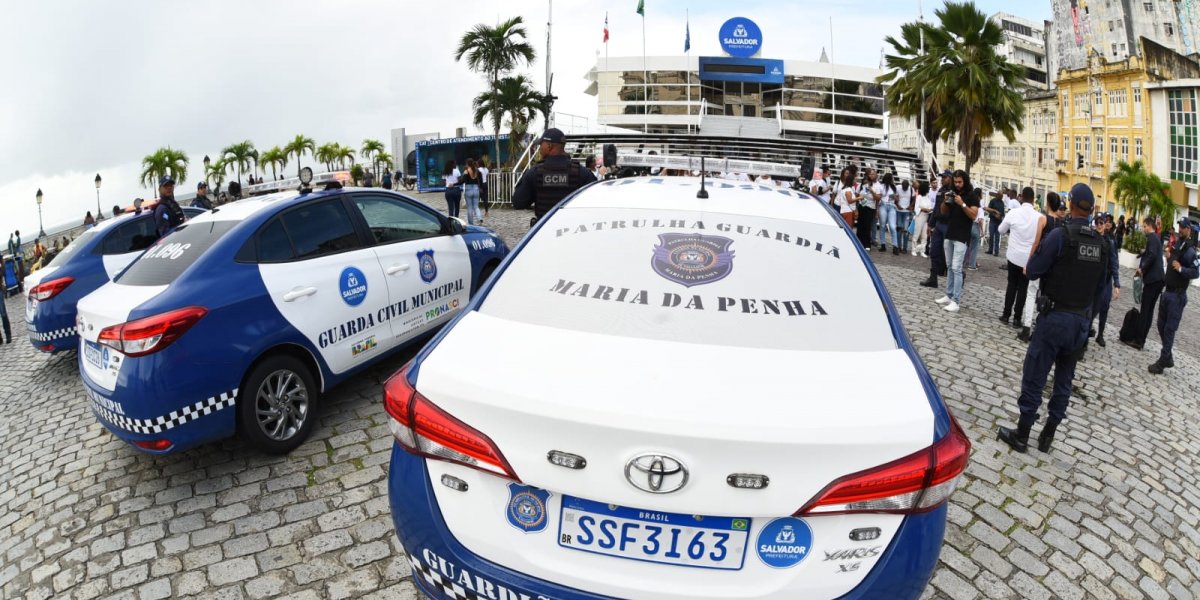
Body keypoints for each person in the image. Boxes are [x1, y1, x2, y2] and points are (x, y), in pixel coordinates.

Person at [997, 183, 1108, 453]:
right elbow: (1101, 290)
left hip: (1056, 317)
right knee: (1064, 380)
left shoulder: (1061, 237)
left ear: (1070, 205)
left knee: (1035, 373)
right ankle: (1048, 435)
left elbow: (1033, 270)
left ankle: (1022, 434)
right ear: (1092, 210)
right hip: (1080, 321)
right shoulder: (1102, 245)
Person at [511, 128, 596, 224]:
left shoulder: (534, 173)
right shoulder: (582, 172)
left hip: (544, 230)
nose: (539, 148)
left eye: (541, 144)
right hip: (572, 229)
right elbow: (595, 200)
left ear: (549, 146)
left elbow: (518, 203)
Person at [1149, 219, 1198, 374]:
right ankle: (1168, 356)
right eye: (1180, 227)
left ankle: (1163, 361)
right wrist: (1169, 256)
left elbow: (1196, 272)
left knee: (1169, 329)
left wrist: (1182, 269)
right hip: (1167, 292)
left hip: (1177, 296)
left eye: (1183, 227)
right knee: (1160, 325)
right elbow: (1173, 260)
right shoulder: (1178, 244)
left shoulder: (1190, 250)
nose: (1180, 229)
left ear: (1189, 229)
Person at [998, 187, 1043, 329]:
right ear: (1033, 199)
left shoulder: (1014, 213)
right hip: (1028, 258)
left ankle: (1006, 314)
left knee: (1011, 284)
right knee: (1023, 288)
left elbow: (1001, 230)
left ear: (1022, 197)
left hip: (1013, 255)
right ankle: (1017, 318)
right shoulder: (1038, 217)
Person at [934, 170, 978, 312]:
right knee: (949, 266)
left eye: (960, 182)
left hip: (962, 236)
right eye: (955, 182)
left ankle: (956, 300)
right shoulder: (952, 192)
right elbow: (943, 211)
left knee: (957, 268)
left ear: (965, 181)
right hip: (950, 233)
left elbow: (973, 215)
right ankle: (949, 294)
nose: (957, 184)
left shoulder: (972, 196)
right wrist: (946, 201)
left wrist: (962, 203)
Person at [1124, 216, 1165, 351]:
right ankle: (1142, 339)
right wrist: (1143, 254)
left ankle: (1138, 340)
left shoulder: (1152, 238)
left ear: (1149, 226)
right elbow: (1151, 253)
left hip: (1153, 280)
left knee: (1145, 310)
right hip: (1159, 280)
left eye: (1144, 226)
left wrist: (1142, 268)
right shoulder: (1156, 238)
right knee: (1149, 311)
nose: (1143, 229)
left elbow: (1152, 255)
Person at [1086, 214, 1121, 347]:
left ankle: (1099, 333)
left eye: (1103, 222)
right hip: (1091, 280)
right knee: (1088, 310)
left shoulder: (1109, 241)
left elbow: (1114, 262)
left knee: (1102, 307)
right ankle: (1083, 340)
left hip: (1105, 281)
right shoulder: (1090, 237)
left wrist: (1117, 284)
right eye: (1098, 222)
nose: (1100, 225)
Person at [921, 170, 954, 288]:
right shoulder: (941, 190)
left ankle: (956, 278)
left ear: (951, 178)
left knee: (948, 254)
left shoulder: (953, 191)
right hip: (939, 224)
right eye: (942, 177)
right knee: (934, 251)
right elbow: (936, 209)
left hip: (949, 225)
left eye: (945, 177)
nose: (942, 179)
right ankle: (933, 278)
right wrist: (930, 224)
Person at [856, 169, 881, 251]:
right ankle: (858, 243)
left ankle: (867, 244)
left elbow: (877, 198)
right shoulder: (862, 184)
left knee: (867, 226)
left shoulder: (878, 186)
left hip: (871, 208)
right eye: (870, 174)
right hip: (862, 206)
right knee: (860, 226)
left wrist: (872, 191)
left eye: (873, 174)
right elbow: (858, 194)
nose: (872, 176)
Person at [878, 172, 900, 254]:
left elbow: (897, 199)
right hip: (883, 205)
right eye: (892, 178)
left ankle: (895, 246)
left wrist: (895, 197)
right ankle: (883, 244)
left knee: (893, 226)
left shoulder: (894, 187)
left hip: (892, 207)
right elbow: (879, 197)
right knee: (882, 225)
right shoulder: (881, 186)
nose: (893, 179)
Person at [911, 181, 934, 257]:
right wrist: (925, 209)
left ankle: (922, 250)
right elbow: (917, 208)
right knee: (917, 233)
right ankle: (913, 249)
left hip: (926, 217)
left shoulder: (927, 197)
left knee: (925, 235)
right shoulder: (919, 197)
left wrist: (929, 209)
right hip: (920, 216)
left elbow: (930, 207)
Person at [966, 188, 985, 270]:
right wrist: (982, 231)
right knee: (974, 248)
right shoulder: (980, 207)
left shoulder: (970, 204)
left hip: (969, 225)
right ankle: (972, 265)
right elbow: (980, 220)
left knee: (967, 245)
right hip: (975, 226)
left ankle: (964, 262)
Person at [460, 158, 483, 226]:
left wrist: (455, 183)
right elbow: (481, 181)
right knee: (476, 206)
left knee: (469, 207)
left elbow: (462, 181)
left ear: (467, 164)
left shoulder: (466, 171)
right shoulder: (477, 170)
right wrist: (480, 187)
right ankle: (479, 218)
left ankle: (471, 223)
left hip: (468, 189)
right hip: (476, 189)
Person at [985, 190, 1006, 256]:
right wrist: (994, 214)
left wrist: (1001, 217)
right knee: (991, 235)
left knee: (997, 237)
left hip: (999, 222)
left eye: (1002, 196)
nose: (1002, 197)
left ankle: (996, 251)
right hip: (993, 220)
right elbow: (988, 209)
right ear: (997, 195)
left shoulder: (1002, 202)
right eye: (1001, 196)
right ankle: (990, 250)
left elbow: (1003, 213)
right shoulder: (993, 201)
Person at [896, 179, 914, 255]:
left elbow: (914, 199)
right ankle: (899, 247)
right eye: (903, 187)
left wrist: (911, 206)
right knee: (899, 229)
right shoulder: (898, 187)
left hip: (907, 212)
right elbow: (894, 198)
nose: (904, 189)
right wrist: (897, 205)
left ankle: (905, 248)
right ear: (901, 185)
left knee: (906, 231)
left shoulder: (911, 189)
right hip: (899, 211)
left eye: (906, 188)